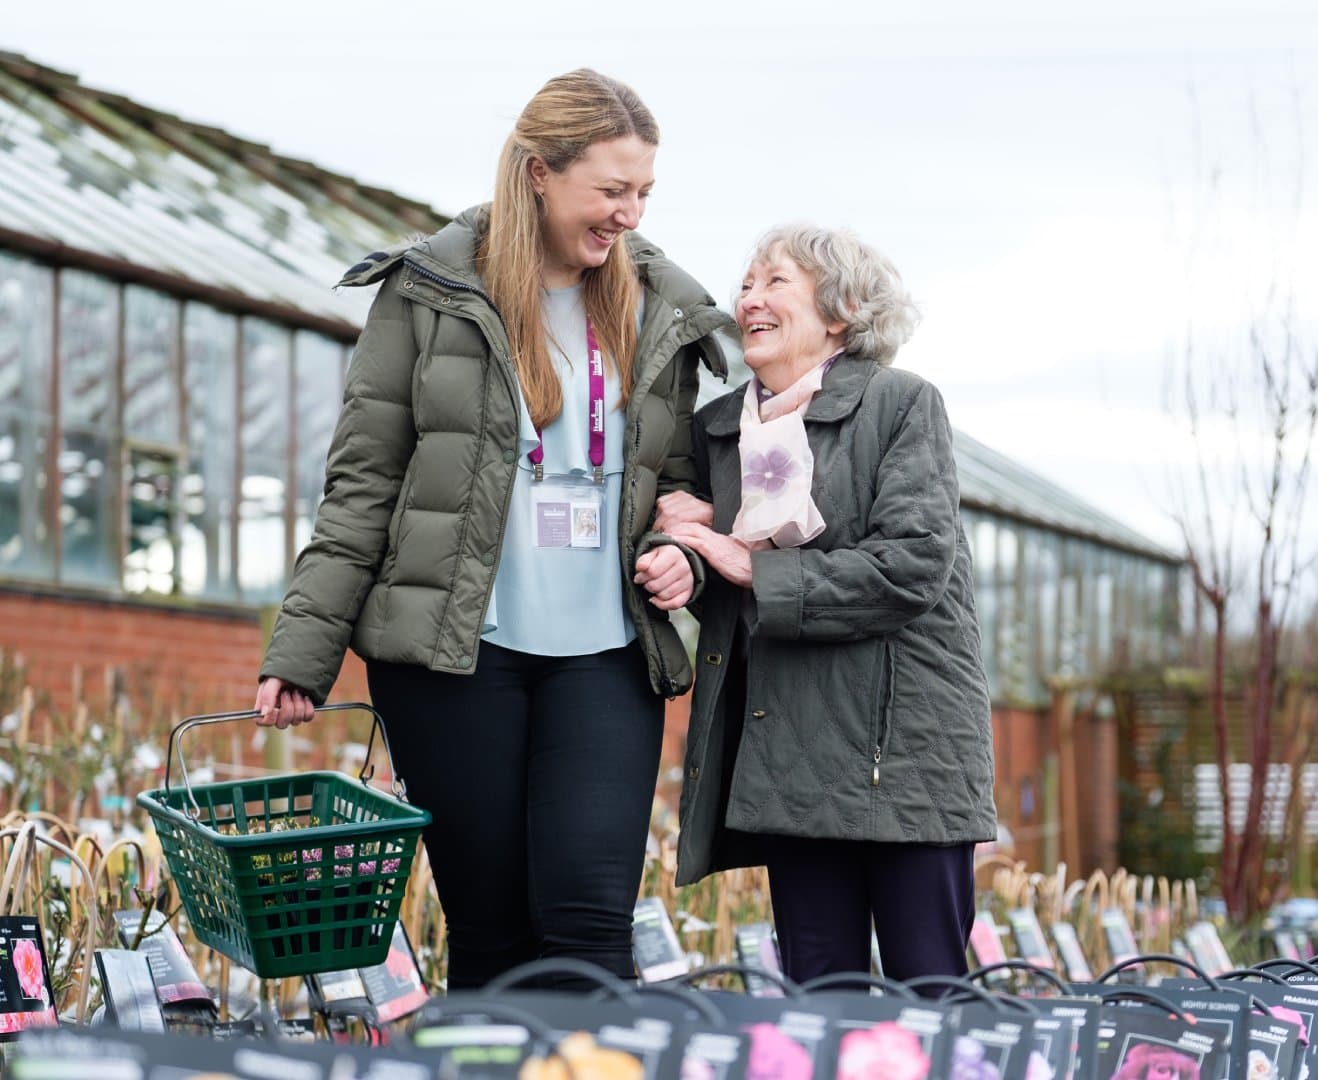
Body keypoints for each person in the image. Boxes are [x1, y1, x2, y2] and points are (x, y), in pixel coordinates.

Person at [253, 69, 735, 989]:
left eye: (643, 192)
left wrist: (681, 555)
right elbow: (363, 483)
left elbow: (681, 487)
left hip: (607, 653)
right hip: (452, 656)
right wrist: (302, 648)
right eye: (611, 190)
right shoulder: (428, 292)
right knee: (491, 934)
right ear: (539, 172)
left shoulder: (663, 306)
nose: (629, 214)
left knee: (592, 930)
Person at [654, 223, 997, 985]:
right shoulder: (719, 432)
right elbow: (707, 552)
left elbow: (910, 567)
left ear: (839, 312)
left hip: (903, 762)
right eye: (746, 283)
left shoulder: (900, 406)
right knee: (820, 1004)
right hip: (793, 761)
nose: (750, 298)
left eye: (776, 281)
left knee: (928, 994)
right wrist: (681, 554)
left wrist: (744, 565)